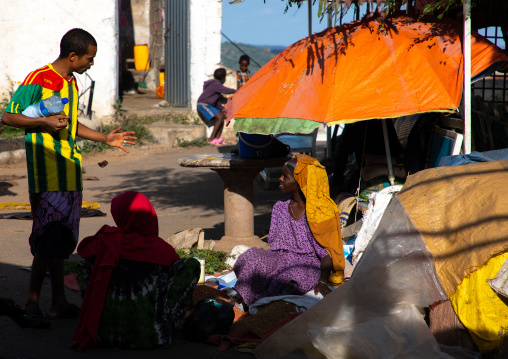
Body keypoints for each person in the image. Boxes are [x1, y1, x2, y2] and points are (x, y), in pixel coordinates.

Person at [1, 28, 137, 328]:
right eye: (89, 58)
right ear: (73, 56)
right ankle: (31, 304)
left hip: (70, 172)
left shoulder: (71, 83)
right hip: (47, 174)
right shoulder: (39, 78)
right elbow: (8, 116)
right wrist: (42, 121)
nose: (92, 63)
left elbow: (71, 126)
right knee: (47, 240)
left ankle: (59, 302)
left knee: (62, 239)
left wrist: (104, 139)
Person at [72, 191, 200, 350]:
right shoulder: (161, 249)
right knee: (190, 265)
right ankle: (166, 322)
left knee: (86, 264)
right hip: (151, 336)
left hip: (102, 334)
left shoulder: (104, 242)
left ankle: (102, 316)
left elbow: (85, 258)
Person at [233, 154, 346, 307]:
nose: (280, 179)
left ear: (301, 182)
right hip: (280, 257)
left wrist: (323, 281)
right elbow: (273, 243)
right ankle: (243, 298)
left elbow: (328, 254)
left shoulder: (319, 213)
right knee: (252, 257)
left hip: (308, 263)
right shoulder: (280, 207)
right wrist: (271, 260)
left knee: (290, 275)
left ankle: (267, 303)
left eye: (285, 176)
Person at [196, 68, 236, 145]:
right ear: (223, 77)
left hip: (208, 105)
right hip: (203, 105)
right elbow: (225, 90)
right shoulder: (216, 84)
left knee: (222, 116)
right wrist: (235, 91)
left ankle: (218, 138)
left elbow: (216, 100)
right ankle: (211, 138)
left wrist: (222, 109)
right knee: (220, 117)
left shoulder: (215, 85)